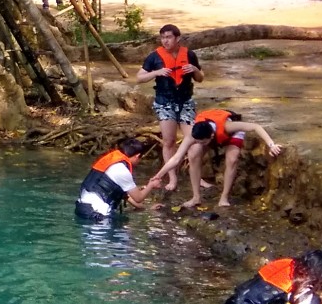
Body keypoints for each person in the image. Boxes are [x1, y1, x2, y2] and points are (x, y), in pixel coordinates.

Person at [150, 106, 283, 210]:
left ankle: (224, 197)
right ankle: (196, 197)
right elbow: (176, 158)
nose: (199, 144)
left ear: (211, 138)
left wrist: (271, 145)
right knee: (193, 154)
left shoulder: (228, 126)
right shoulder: (193, 134)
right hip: (209, 130)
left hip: (230, 132)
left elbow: (255, 127)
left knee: (232, 158)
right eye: (198, 141)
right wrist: (158, 175)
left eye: (202, 142)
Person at [136, 23, 203, 179]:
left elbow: (200, 78)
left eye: (169, 37)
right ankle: (172, 178)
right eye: (163, 37)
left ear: (177, 38)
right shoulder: (154, 57)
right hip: (164, 102)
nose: (165, 41)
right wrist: (157, 72)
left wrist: (195, 70)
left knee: (193, 140)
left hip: (185, 101)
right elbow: (139, 78)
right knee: (169, 141)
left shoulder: (189, 55)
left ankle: (197, 179)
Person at [75, 136, 153, 223]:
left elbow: (125, 195)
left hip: (83, 208)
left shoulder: (111, 162)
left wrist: (148, 208)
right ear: (137, 156)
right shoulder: (121, 169)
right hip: (98, 215)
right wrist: (151, 185)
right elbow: (138, 198)